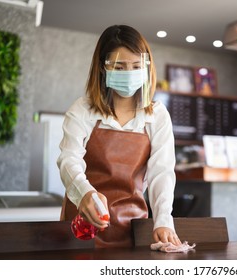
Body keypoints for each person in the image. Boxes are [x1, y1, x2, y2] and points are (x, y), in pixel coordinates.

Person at [57, 25, 181, 248]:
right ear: (103, 68)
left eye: (136, 66)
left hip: (133, 227)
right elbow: (69, 160)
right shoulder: (83, 110)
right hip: (82, 226)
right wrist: (85, 194)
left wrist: (163, 221)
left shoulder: (157, 115)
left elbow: (161, 173)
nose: (129, 74)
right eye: (120, 67)